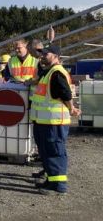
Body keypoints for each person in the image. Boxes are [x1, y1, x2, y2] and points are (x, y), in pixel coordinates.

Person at [31, 46, 80, 195]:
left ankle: (59, 186)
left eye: (47, 53)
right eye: (42, 54)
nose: (43, 56)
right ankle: (51, 180)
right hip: (45, 121)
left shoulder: (57, 72)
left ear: (57, 56)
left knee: (55, 152)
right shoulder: (48, 72)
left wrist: (72, 108)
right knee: (47, 152)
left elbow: (65, 94)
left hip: (54, 122)